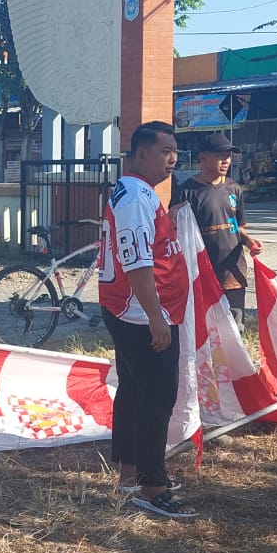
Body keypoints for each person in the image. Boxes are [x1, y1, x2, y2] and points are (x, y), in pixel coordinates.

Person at [99, 121, 197, 520]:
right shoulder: (136, 196)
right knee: (157, 397)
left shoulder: (132, 191)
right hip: (139, 313)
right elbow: (136, 259)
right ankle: (152, 485)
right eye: (165, 151)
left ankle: (128, 473)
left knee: (135, 391)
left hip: (132, 309)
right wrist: (156, 316)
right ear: (141, 154)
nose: (173, 159)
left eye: (175, 151)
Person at [173, 132, 263, 326]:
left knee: (234, 327)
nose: (226, 161)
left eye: (228, 156)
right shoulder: (186, 191)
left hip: (232, 272)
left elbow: (236, 226)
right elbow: (175, 233)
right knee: (206, 328)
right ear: (203, 158)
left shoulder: (234, 188)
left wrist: (249, 242)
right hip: (201, 274)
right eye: (220, 156)